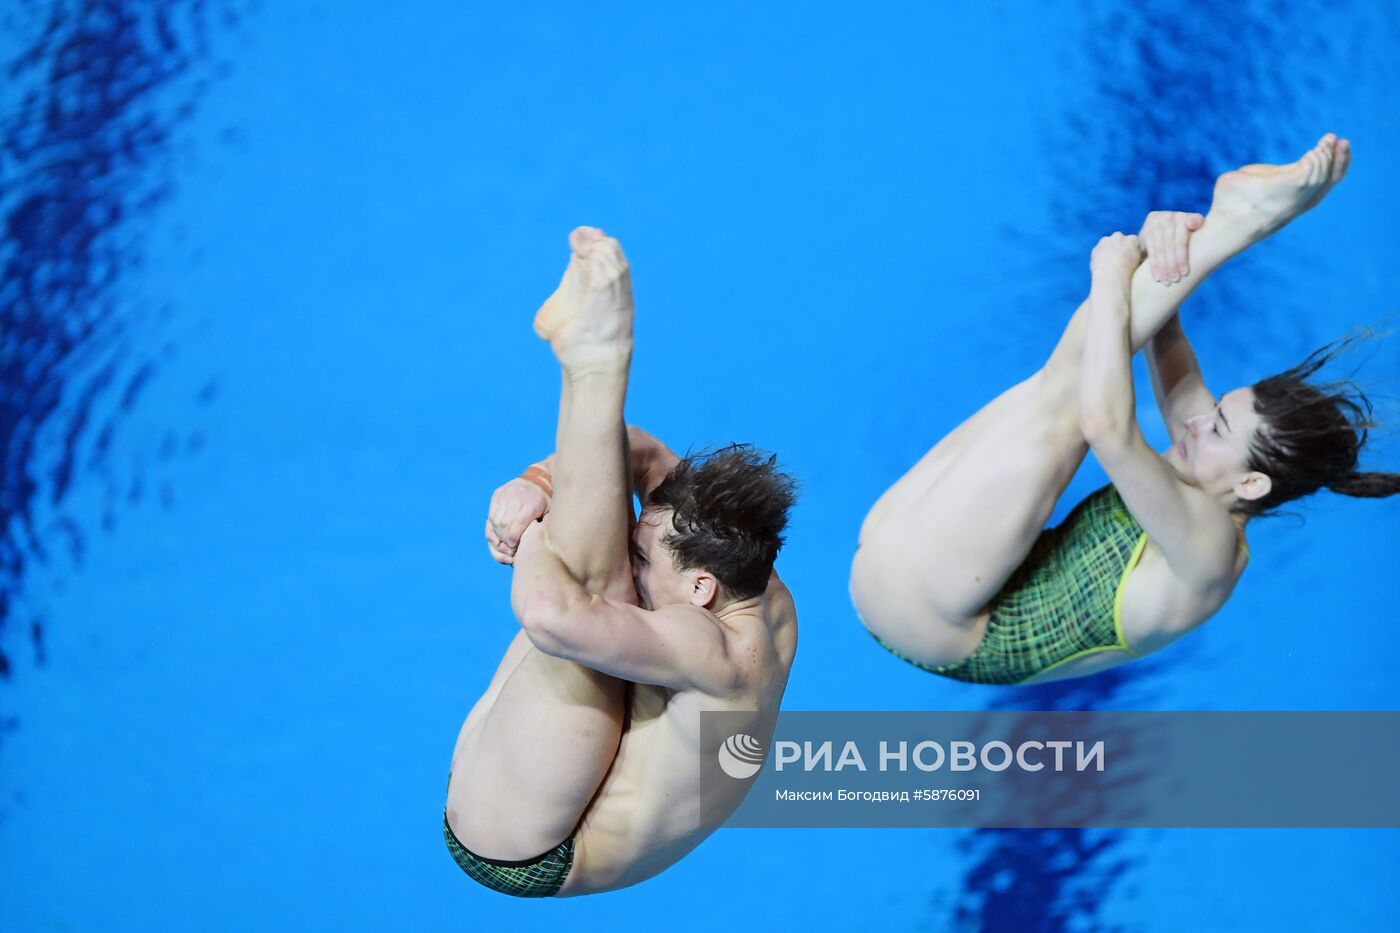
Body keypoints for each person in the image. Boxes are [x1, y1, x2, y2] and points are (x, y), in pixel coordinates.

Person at [852, 132, 1398, 686]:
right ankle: (1236, 222)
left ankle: (1244, 223)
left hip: (937, 624)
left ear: (1253, 485)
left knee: (1068, 405)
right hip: (922, 579)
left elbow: (1107, 427)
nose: (1199, 420)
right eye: (1216, 411)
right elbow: (1165, 340)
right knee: (1065, 379)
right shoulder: (1212, 471)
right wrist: (1163, 246)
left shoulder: (1210, 550)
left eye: (1218, 427)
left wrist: (1110, 275)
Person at [444, 226, 798, 896]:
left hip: (531, 842)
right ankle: (590, 362)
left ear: (700, 588)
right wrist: (538, 484)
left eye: (648, 555)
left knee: (597, 590)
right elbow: (638, 451)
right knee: (606, 543)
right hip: (543, 769)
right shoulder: (748, 574)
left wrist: (533, 531)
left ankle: (597, 361)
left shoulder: (715, 649)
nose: (635, 554)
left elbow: (550, 615)